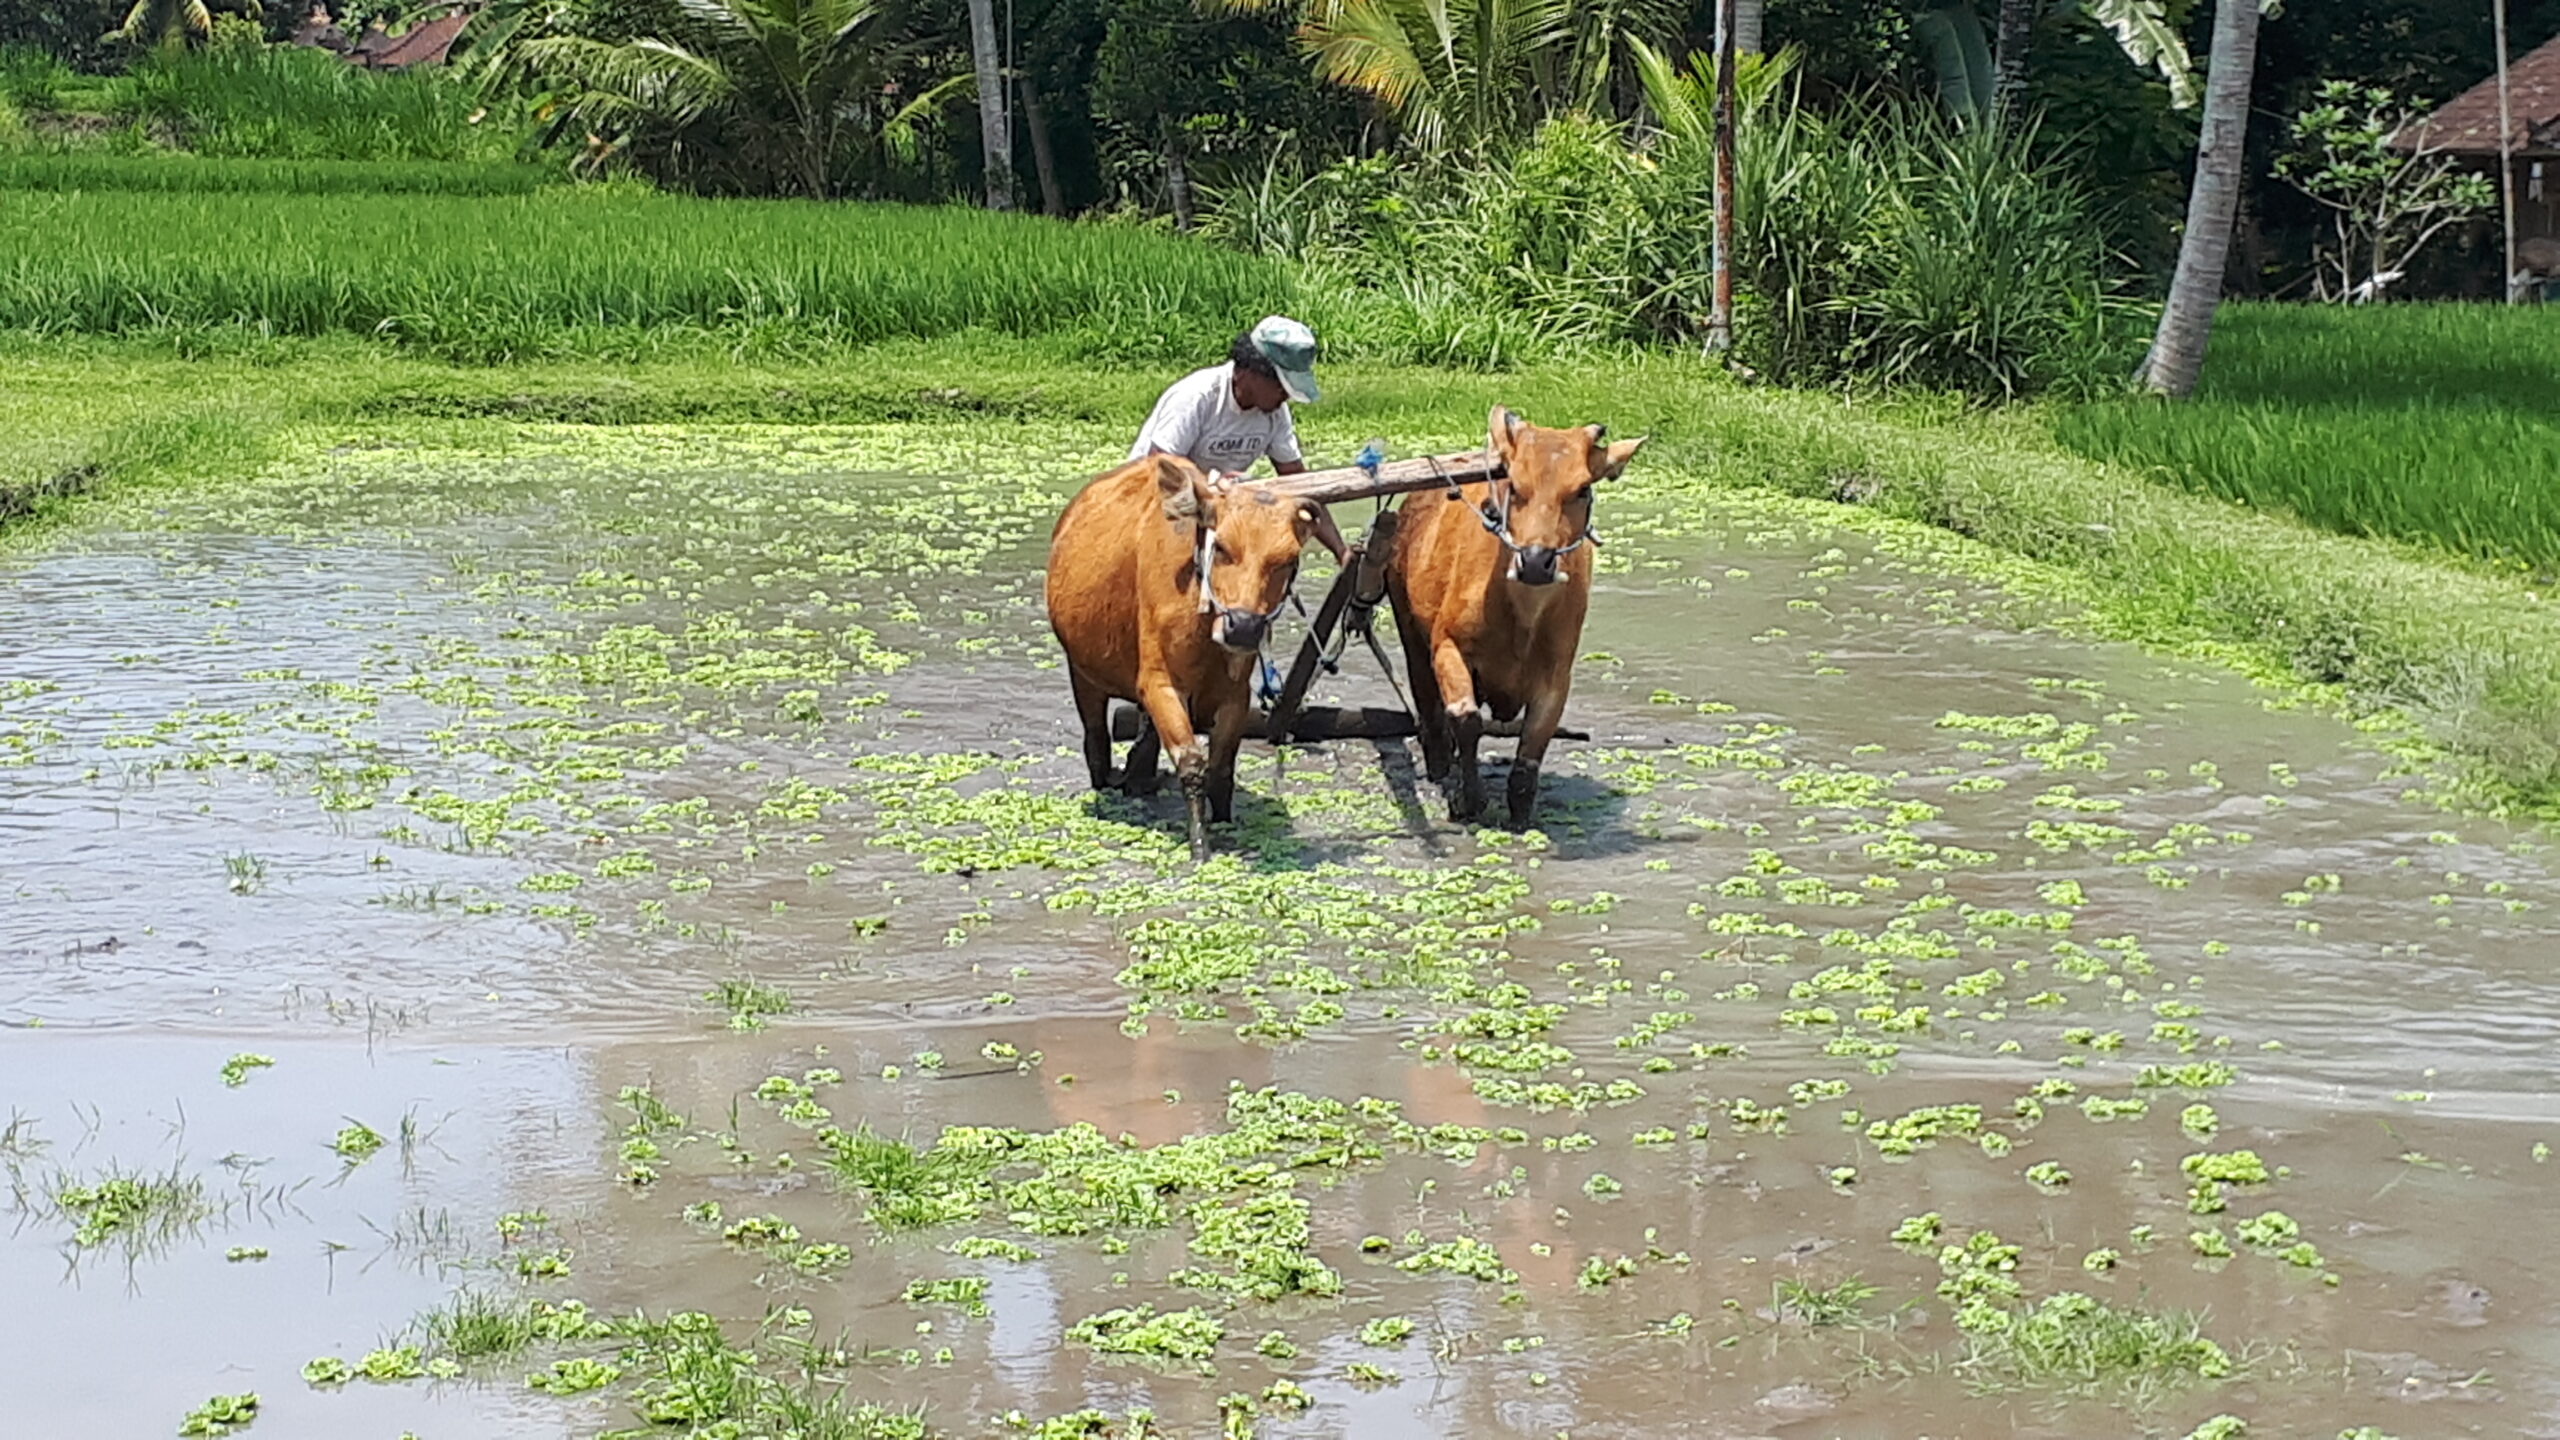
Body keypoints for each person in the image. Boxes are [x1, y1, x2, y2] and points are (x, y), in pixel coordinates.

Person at [1128, 315, 1349, 563]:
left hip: (1220, 513)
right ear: (1248, 371)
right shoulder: (1198, 397)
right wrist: (1213, 487)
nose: (1286, 395)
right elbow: (1159, 469)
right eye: (1280, 385)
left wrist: (1340, 550)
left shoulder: (1275, 413)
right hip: (1157, 508)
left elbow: (1297, 480)